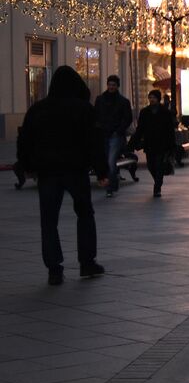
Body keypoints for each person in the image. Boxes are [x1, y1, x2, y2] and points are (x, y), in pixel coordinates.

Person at [17, 65, 107, 285]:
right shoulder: (84, 109)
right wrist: (102, 171)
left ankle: (54, 269)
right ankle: (87, 262)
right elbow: (94, 142)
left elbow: (25, 140)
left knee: (48, 221)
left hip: (47, 172)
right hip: (76, 170)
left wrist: (26, 165)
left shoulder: (38, 109)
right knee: (85, 213)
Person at [130, 88, 176, 198]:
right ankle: (158, 180)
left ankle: (157, 187)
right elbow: (140, 129)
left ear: (158, 99)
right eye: (150, 97)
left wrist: (171, 145)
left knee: (159, 165)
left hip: (162, 144)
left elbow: (170, 130)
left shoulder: (165, 112)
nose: (151, 100)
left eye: (154, 98)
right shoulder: (144, 112)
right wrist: (133, 142)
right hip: (149, 143)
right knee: (151, 166)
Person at [93, 75, 133, 199]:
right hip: (103, 134)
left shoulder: (123, 102)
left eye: (113, 85)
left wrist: (119, 130)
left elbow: (128, 118)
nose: (111, 87)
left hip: (115, 135)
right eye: (110, 84)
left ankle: (109, 187)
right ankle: (113, 182)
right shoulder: (100, 99)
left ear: (117, 86)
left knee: (110, 160)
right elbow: (95, 115)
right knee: (106, 160)